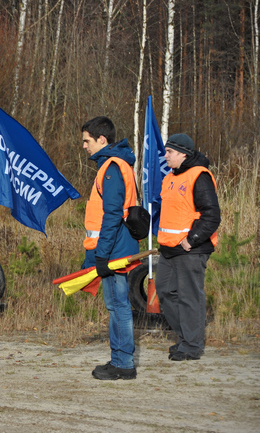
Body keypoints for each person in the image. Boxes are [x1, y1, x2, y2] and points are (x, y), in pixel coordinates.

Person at [81, 116, 140, 380]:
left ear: (102, 139)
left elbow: (112, 214)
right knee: (116, 306)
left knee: (118, 306)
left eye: (87, 140)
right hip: (115, 247)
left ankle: (123, 364)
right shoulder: (114, 164)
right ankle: (119, 360)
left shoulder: (112, 167)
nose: (84, 146)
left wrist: (102, 254)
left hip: (114, 250)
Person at [155, 133, 220, 361]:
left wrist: (191, 239)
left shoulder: (199, 176)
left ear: (183, 153)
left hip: (191, 249)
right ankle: (186, 338)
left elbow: (212, 216)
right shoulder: (169, 177)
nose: (165, 156)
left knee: (189, 297)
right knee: (164, 291)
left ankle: (192, 346)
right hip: (168, 248)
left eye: (170, 152)